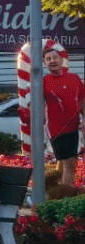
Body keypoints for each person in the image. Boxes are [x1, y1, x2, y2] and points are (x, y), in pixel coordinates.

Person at [41, 46, 85, 193]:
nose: (52, 61)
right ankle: (66, 198)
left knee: (68, 165)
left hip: (73, 127)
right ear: (44, 63)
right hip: (56, 129)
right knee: (69, 164)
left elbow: (81, 101)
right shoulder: (44, 81)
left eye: (55, 57)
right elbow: (38, 107)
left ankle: (53, 191)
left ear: (61, 60)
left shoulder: (74, 78)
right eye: (48, 59)